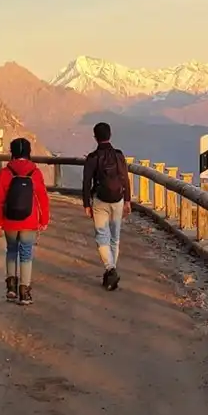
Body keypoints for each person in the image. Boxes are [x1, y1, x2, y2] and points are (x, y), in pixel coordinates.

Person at [0, 137, 50, 304]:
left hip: (9, 221)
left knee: (11, 251)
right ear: (29, 152)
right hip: (29, 221)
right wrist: (44, 220)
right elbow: (42, 198)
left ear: (13, 153)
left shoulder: (5, 172)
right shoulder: (35, 172)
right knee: (26, 254)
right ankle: (24, 292)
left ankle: (11, 288)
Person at [78, 121, 131, 290]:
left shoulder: (93, 158)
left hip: (100, 201)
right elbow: (125, 178)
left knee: (102, 236)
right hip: (118, 199)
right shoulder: (118, 155)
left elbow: (86, 182)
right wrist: (128, 200)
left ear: (95, 137)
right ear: (110, 135)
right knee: (115, 238)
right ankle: (110, 274)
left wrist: (86, 203)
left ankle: (110, 269)